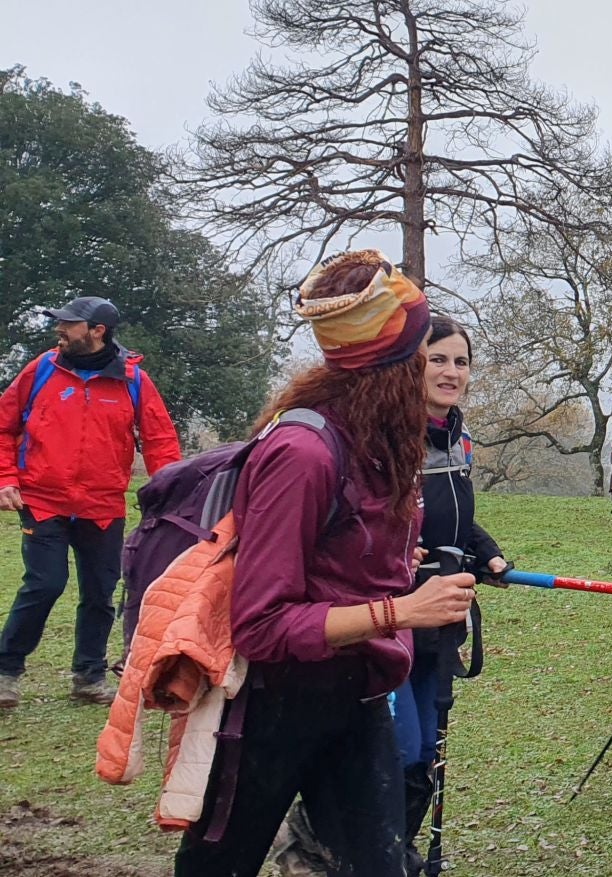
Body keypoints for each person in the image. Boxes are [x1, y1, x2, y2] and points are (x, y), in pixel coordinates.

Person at [173, 249, 475, 876]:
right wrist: (401, 609)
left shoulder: (374, 438)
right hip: (273, 709)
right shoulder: (303, 452)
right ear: (391, 364)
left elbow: (337, 553)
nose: (438, 366)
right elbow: (261, 624)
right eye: (425, 349)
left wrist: (385, 557)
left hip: (355, 695)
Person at [272, 314, 510, 875]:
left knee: (425, 753)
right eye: (438, 359)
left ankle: (387, 850)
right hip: (388, 615)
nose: (451, 372)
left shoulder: (458, 435)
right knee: (396, 750)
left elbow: (457, 518)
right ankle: (318, 841)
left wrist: (489, 551)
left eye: (461, 361)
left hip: (441, 614)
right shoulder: (382, 435)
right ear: (410, 364)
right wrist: (398, 556)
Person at [0, 295, 181, 708]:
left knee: (100, 592)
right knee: (45, 584)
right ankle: (5, 672)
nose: (58, 330)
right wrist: (6, 478)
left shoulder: (133, 381)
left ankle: (88, 677)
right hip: (43, 500)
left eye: (68, 324)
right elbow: (4, 425)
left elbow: (159, 440)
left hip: (102, 506)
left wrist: (171, 494)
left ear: (97, 331)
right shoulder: (42, 369)